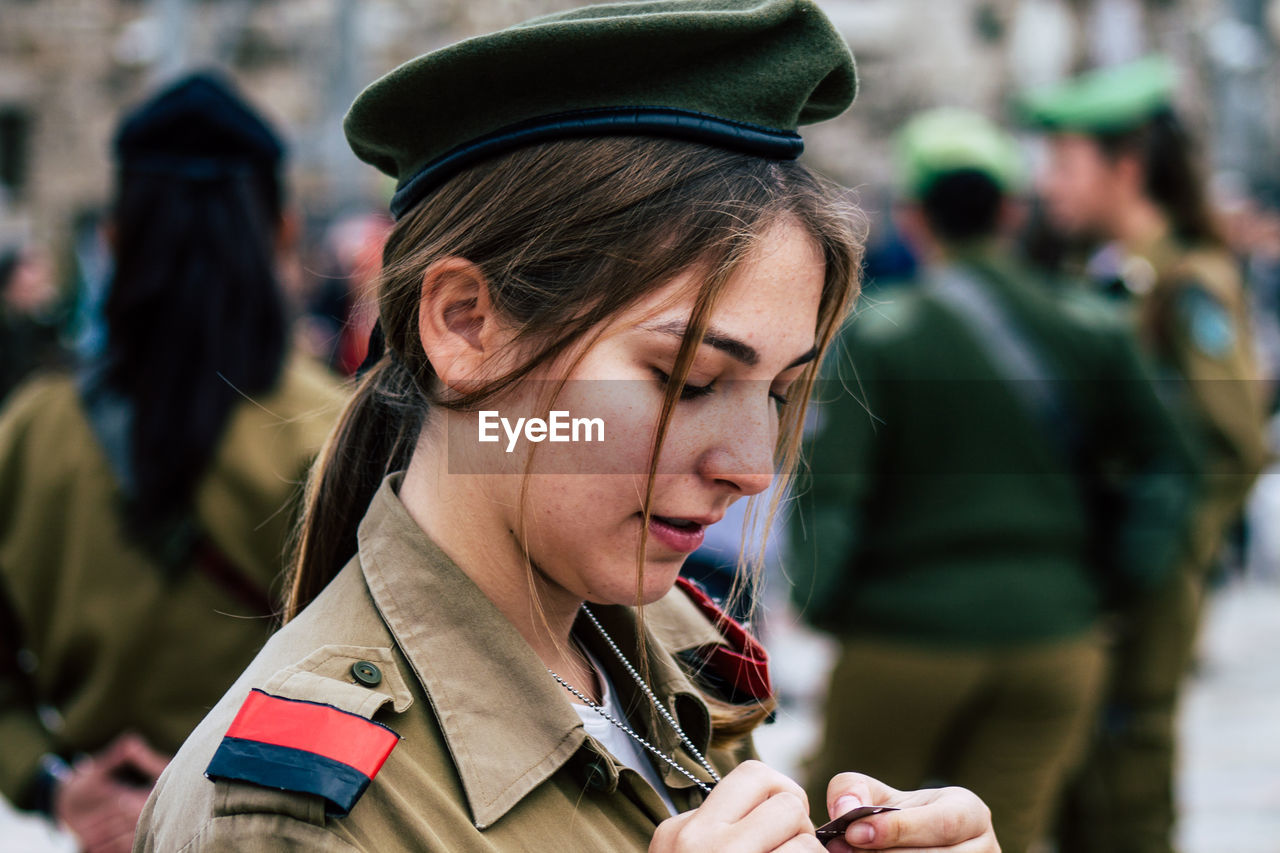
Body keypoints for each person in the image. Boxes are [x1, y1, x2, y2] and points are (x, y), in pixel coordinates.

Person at [134, 4, 999, 852]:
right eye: (686, 378)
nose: (751, 468)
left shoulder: (664, 653)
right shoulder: (305, 816)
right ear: (467, 323)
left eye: (779, 393)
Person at [787, 108, 1196, 853]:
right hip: (1055, 641)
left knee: (847, 831)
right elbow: (1169, 464)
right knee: (998, 833)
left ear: (912, 218)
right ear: (1011, 211)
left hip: (902, 640)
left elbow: (831, 493)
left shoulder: (882, 336)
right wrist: (1108, 584)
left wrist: (822, 603)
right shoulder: (1091, 326)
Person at [0, 72, 347, 853]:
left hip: (101, 831)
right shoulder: (337, 434)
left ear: (115, 239)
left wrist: (52, 785)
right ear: (284, 232)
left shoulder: (30, 433)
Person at [1024, 56, 1271, 853]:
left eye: (1064, 164)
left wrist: (1169, 558)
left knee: (1129, 786)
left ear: (1126, 169)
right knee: (1077, 783)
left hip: (1144, 584)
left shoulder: (1187, 282)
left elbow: (1234, 440)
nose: (1048, 185)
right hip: (1084, 577)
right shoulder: (1096, 277)